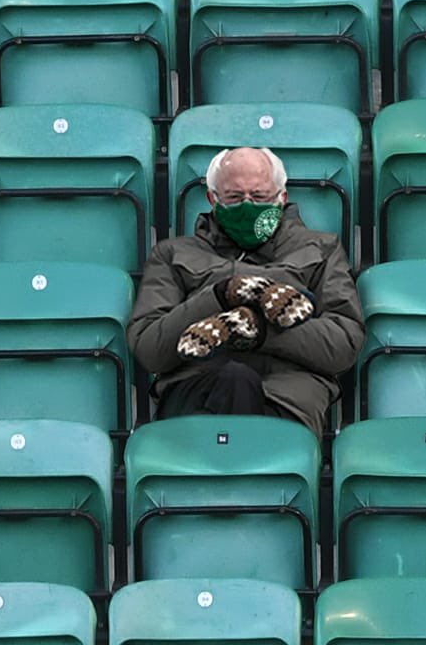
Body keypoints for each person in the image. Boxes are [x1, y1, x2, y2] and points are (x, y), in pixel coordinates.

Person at [128, 145, 364, 436]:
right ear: (213, 199)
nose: (248, 206)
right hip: (196, 392)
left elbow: (343, 343)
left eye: (260, 196)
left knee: (239, 382)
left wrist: (259, 330)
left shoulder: (322, 249)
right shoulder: (172, 254)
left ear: (282, 198)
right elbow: (150, 348)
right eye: (235, 197)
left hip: (286, 401)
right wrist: (219, 295)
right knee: (233, 379)